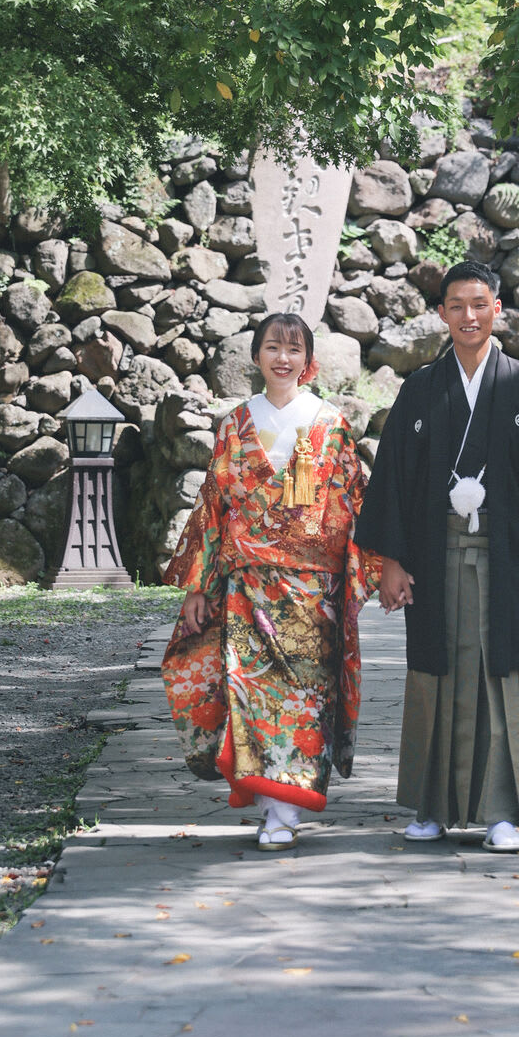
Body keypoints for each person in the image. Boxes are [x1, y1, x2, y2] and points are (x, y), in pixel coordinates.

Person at [356, 258, 519, 852]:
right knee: (435, 672)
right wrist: (391, 563)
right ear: (442, 314)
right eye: (456, 306)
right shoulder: (421, 389)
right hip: (433, 552)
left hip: (508, 553)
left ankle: (502, 814)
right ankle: (432, 807)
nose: (468, 316)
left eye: (478, 304)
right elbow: (393, 480)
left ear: (497, 309)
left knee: (500, 672)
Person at [161, 312, 381, 850]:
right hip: (247, 584)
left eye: (294, 349)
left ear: (308, 360)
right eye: (273, 348)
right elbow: (212, 508)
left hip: (314, 590)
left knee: (307, 695)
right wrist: (199, 587)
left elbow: (354, 501)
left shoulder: (330, 422)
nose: (283, 358)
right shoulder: (235, 423)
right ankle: (273, 810)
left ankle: (286, 807)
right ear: (256, 356)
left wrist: (379, 567)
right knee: (251, 691)